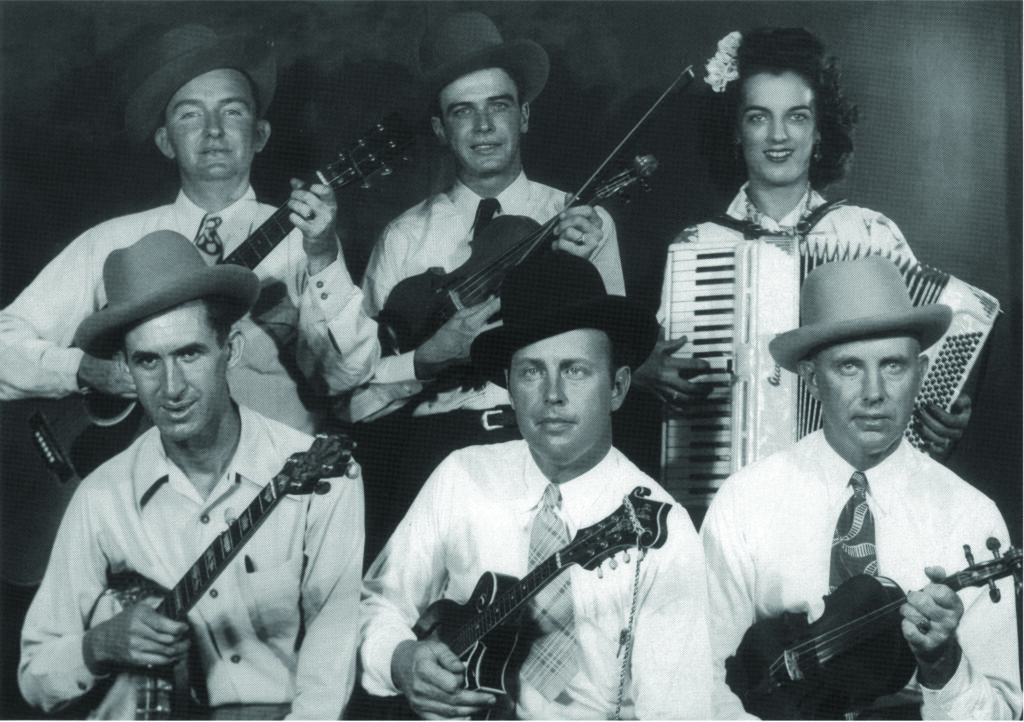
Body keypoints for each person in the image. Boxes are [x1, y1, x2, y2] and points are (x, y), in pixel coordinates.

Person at [19, 231, 365, 719]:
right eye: (147, 362)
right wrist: (97, 646)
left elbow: (330, 662)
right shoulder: (102, 497)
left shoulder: (324, 475)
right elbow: (35, 676)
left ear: (232, 351)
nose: (172, 387)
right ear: (125, 370)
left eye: (189, 353)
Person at [359, 251, 711, 720]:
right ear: (508, 384)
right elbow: (376, 602)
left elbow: (678, 712)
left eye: (576, 370)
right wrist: (400, 659)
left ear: (618, 387)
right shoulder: (462, 476)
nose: (552, 395)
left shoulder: (663, 529)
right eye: (531, 371)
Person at [345, 12, 628, 566]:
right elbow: (358, 401)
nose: (482, 126)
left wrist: (582, 274)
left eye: (498, 105)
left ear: (523, 115)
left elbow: (616, 369)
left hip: (549, 450)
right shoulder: (404, 237)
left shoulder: (577, 220)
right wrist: (426, 359)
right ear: (439, 129)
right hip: (434, 456)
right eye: (461, 112)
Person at [0, 23, 376, 436]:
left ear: (260, 135)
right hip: (142, 483)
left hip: (277, 480)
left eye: (232, 111)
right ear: (165, 141)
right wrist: (80, 370)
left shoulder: (308, 240)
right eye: (190, 114)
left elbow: (347, 379)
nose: (213, 130)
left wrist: (323, 257)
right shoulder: (110, 241)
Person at [701, 256, 1021, 719]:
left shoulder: (973, 517)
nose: (874, 392)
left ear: (922, 371)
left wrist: (943, 665)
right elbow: (701, 679)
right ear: (811, 379)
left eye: (893, 366)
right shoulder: (745, 500)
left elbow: (1003, 715)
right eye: (849, 367)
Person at [636, 26, 969, 459]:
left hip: (857, 479)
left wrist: (941, 408)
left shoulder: (868, 234)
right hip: (733, 479)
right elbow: (671, 368)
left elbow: (913, 367)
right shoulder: (698, 245)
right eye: (758, 116)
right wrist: (649, 369)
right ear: (736, 131)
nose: (778, 136)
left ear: (819, 131)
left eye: (797, 116)